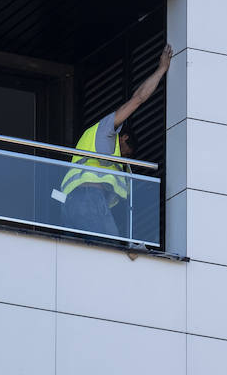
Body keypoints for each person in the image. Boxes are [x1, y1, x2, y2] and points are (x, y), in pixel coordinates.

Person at [59, 43, 173, 237]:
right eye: (126, 153)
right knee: (109, 250)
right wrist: (161, 69)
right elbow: (138, 98)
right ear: (124, 137)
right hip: (89, 198)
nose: (123, 158)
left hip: (71, 203)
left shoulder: (91, 138)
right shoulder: (107, 130)